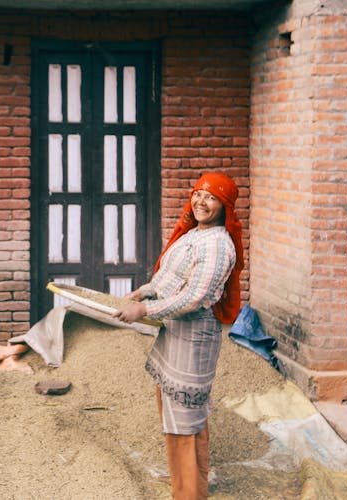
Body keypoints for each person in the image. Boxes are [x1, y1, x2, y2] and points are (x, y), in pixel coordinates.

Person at [113, 172, 244, 500]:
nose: (201, 202)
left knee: (184, 420)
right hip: (175, 330)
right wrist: (142, 293)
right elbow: (169, 277)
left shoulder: (217, 244)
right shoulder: (194, 234)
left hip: (194, 335)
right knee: (176, 414)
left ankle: (188, 493)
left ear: (224, 206)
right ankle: (186, 483)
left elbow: (196, 297)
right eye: (198, 193)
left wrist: (144, 311)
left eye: (211, 197)